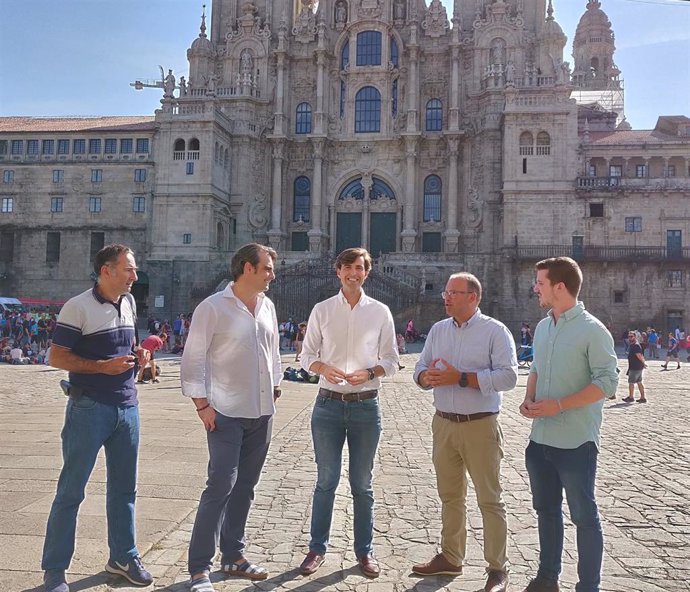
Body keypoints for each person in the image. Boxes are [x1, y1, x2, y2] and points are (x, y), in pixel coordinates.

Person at [41, 244, 153, 592]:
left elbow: (124, 347)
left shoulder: (130, 302)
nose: (135, 275)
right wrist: (100, 368)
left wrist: (140, 356)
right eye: (129, 269)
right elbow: (57, 357)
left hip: (127, 407)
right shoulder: (78, 306)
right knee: (71, 491)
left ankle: (123, 555)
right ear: (107, 270)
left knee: (125, 489)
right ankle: (55, 571)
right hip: (89, 407)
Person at [181, 243, 282, 592]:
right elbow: (192, 359)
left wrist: (276, 386)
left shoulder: (267, 305)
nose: (272, 274)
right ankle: (199, 568)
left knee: (246, 488)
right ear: (247, 268)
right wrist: (202, 406)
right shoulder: (212, 308)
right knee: (220, 485)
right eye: (267, 267)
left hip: (261, 411)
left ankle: (234, 556)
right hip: (224, 412)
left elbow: (273, 351)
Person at [412, 272, 517, 592]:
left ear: (473, 297)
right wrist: (425, 378)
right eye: (445, 292)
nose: (446, 297)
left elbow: (509, 377)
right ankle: (451, 556)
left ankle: (497, 568)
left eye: (454, 293)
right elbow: (419, 367)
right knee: (450, 496)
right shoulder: (438, 330)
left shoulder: (495, 332)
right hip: (443, 424)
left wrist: (462, 379)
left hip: (480, 426)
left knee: (490, 499)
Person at [519, 257, 618, 592]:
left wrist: (559, 405)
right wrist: (529, 399)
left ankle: (588, 586)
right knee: (546, 512)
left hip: (576, 443)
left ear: (559, 287)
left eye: (541, 283)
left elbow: (607, 383)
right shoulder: (544, 326)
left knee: (583, 517)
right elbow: (536, 368)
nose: (536, 288)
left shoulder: (594, 330)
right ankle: (548, 578)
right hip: (540, 441)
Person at [298, 247, 399, 579]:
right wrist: (322, 367)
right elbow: (306, 355)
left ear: (367, 272)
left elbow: (391, 360)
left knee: (362, 484)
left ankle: (364, 552)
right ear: (337, 271)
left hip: (366, 406)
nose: (353, 273)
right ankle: (316, 548)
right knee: (325, 481)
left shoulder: (381, 312)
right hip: (327, 405)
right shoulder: (322, 310)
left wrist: (370, 373)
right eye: (347, 267)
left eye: (360, 268)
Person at [622, 331, 646, 403]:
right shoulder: (633, 345)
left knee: (631, 383)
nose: (630, 338)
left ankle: (631, 397)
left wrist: (643, 363)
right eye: (629, 336)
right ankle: (642, 398)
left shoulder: (635, 345)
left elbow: (639, 355)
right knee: (639, 382)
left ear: (635, 337)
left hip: (635, 367)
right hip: (636, 366)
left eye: (631, 336)